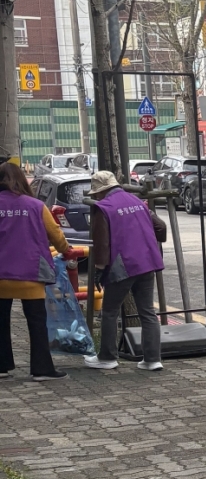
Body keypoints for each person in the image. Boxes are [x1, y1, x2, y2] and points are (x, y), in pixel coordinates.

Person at [83, 171, 168, 373]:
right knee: (147, 312)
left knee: (110, 311)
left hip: (122, 265)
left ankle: (107, 357)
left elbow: (102, 245)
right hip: (148, 261)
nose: (95, 197)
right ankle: (152, 359)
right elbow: (161, 227)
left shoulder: (102, 208)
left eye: (96, 193)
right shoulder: (137, 202)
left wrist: (99, 270)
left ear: (101, 191)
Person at [0, 160, 71, 381]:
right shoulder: (35, 205)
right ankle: (41, 369)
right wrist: (66, 249)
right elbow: (56, 234)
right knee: (37, 323)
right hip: (31, 273)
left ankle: (2, 367)